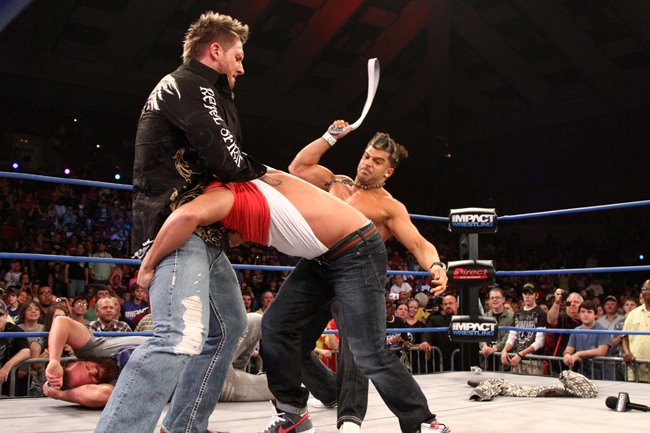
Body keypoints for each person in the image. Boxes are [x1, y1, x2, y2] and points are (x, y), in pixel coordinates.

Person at [135, 165, 449, 433]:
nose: (232, 241)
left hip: (357, 252)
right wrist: (329, 137)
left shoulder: (223, 194)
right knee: (275, 326)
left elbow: (186, 215)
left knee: (367, 350)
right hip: (320, 259)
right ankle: (292, 412)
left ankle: (422, 421)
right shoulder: (251, 180)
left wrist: (147, 267)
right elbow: (297, 165)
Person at [94, 11, 267, 433]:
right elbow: (227, 160)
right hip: (176, 228)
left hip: (204, 234)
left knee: (229, 328)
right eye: (238, 57)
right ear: (215, 50)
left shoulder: (208, 91)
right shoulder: (188, 85)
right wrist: (271, 177)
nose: (242, 68)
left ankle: (185, 426)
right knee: (177, 336)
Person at [287, 120, 448, 433]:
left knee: (357, 347)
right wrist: (329, 137)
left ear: (388, 171)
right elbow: (298, 168)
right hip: (319, 271)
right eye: (366, 156)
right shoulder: (336, 182)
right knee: (289, 339)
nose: (367, 163)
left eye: (377, 161)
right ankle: (329, 392)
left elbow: (418, 243)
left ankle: (350, 417)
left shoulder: (388, 207)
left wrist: (436, 266)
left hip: (355, 277)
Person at [43, 314, 272, 407]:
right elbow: (99, 396)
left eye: (87, 367)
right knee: (277, 387)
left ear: (84, 359)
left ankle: (239, 365)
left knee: (255, 320)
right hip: (210, 381)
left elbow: (62, 322)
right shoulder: (113, 386)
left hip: (208, 347)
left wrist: (54, 360)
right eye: (91, 378)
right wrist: (60, 395)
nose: (94, 371)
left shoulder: (95, 349)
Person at [500, 284, 547, 375]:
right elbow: (512, 337)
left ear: (536, 295)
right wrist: (504, 350)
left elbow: (540, 342)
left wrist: (521, 354)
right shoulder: (517, 313)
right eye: (525, 293)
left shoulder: (541, 313)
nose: (527, 296)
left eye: (530, 294)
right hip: (517, 359)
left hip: (533, 361)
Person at [562, 300, 610, 379]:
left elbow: (601, 351)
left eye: (589, 312)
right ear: (579, 314)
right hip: (583, 374)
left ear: (595, 315)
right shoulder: (576, 330)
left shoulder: (603, 330)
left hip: (602, 374)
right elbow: (569, 349)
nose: (585, 314)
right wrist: (567, 355)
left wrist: (579, 354)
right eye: (583, 311)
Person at [545, 288, 583, 375]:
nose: (572, 304)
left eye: (576, 302)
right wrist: (557, 301)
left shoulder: (586, 323)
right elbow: (550, 320)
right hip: (559, 366)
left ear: (582, 305)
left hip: (580, 368)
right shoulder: (562, 318)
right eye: (570, 302)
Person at [621, 279, 650, 382]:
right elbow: (624, 337)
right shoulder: (632, 314)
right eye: (645, 289)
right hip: (636, 367)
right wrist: (627, 352)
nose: (648, 292)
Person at [0, 299, 31, 396]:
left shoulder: (14, 330)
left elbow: (26, 351)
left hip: (8, 386)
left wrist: (7, 366)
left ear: (6, 315)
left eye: (0, 315)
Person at [479, 287, 514, 368]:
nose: (494, 300)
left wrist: (495, 348)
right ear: (489, 301)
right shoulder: (484, 317)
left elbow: (508, 336)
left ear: (503, 299)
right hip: (486, 361)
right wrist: (484, 346)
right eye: (492, 298)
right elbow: (480, 336)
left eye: (497, 297)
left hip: (503, 361)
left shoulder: (511, 316)